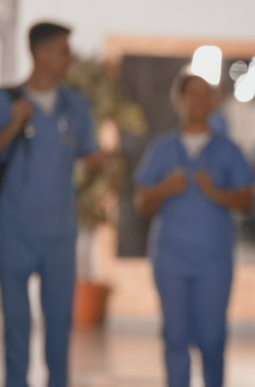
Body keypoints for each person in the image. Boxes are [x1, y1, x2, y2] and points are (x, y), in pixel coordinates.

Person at [0, 22, 105, 387]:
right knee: (16, 327)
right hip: (13, 234)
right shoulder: (6, 101)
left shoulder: (76, 106)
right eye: (64, 50)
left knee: (59, 329)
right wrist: (12, 126)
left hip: (60, 236)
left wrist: (94, 163)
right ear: (41, 53)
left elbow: (88, 156)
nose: (71, 57)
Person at [133, 74, 255, 387]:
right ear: (179, 100)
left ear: (214, 101)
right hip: (170, 258)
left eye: (206, 95)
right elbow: (141, 201)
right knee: (175, 336)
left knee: (213, 338)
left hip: (213, 261)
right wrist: (165, 188)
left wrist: (216, 192)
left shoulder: (227, 150)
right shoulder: (162, 148)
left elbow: (247, 200)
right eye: (193, 94)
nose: (200, 101)